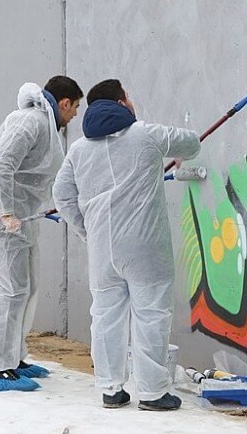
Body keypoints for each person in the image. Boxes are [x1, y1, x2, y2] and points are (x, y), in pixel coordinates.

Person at [52, 79, 200, 411]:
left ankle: (110, 389)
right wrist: (170, 151)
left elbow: (61, 196)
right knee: (151, 316)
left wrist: (86, 230)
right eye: (128, 97)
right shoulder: (146, 134)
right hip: (146, 249)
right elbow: (191, 144)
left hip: (102, 250)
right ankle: (151, 392)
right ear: (121, 103)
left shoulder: (78, 149)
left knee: (105, 317)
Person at [0, 76, 83, 392]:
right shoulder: (30, 122)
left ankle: (16, 358)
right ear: (64, 103)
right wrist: (5, 211)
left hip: (23, 218)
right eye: (76, 107)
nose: (75, 115)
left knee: (28, 287)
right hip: (6, 219)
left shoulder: (45, 126)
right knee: (12, 290)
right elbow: (0, 166)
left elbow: (34, 174)